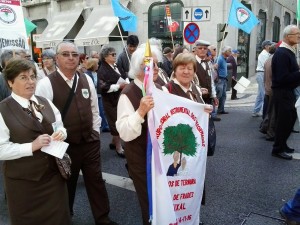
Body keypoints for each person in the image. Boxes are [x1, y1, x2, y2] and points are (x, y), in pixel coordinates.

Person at [35, 41, 118, 225]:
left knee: (96, 181)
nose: (71, 58)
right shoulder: (46, 84)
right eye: (65, 54)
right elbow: (42, 119)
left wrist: (96, 133)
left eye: (74, 54)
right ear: (57, 58)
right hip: (65, 146)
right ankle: (66, 216)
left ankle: (102, 218)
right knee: (67, 184)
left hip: (89, 142)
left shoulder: (86, 79)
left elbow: (95, 109)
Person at [0, 58, 70, 225]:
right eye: (23, 77)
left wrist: (61, 133)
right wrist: (32, 146)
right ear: (10, 82)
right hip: (24, 184)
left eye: (33, 76)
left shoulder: (44, 101)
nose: (31, 82)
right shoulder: (3, 110)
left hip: (54, 179)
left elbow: (59, 125)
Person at [116, 44, 162, 225]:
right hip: (141, 159)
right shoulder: (128, 94)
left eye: (157, 65)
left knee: (163, 201)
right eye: (150, 65)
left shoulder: (160, 87)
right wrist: (140, 112)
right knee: (149, 204)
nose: (156, 69)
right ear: (138, 69)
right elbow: (125, 133)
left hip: (161, 157)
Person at [271, 25, 300, 160]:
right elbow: (282, 78)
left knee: (291, 118)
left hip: (287, 91)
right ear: (288, 37)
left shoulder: (288, 51)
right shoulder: (282, 53)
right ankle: (278, 149)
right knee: (284, 120)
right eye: (297, 34)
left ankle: (283, 144)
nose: (299, 36)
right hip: (282, 91)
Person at [98, 46, 127, 158]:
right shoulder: (102, 70)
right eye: (112, 54)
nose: (115, 56)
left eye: (115, 54)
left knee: (119, 119)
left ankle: (113, 142)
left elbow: (124, 75)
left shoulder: (117, 65)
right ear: (105, 57)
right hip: (110, 100)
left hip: (119, 98)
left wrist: (126, 83)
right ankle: (118, 147)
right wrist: (118, 86)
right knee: (115, 122)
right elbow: (102, 87)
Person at [194, 40, 220, 121]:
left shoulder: (207, 63)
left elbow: (211, 80)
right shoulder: (192, 63)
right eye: (200, 48)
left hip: (208, 98)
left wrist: (214, 96)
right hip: (197, 98)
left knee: (207, 120)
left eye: (205, 48)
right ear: (195, 50)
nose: (202, 50)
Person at [85, 58, 110, 132]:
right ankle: (99, 126)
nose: (98, 65)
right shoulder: (87, 74)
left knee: (101, 111)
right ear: (93, 65)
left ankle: (104, 125)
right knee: (94, 111)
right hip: (92, 96)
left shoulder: (96, 73)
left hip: (98, 94)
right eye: (97, 64)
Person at [252, 40, 273, 117]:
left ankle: (256, 110)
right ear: (266, 46)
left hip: (262, 73)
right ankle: (262, 111)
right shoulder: (264, 54)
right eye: (270, 45)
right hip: (261, 73)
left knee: (261, 93)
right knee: (263, 93)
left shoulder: (266, 54)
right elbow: (267, 65)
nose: (271, 46)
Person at [216, 46, 232, 114]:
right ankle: (214, 112)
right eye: (229, 51)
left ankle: (221, 109)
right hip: (220, 79)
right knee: (218, 95)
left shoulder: (225, 59)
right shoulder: (220, 59)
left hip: (224, 79)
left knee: (223, 95)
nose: (230, 53)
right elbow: (216, 67)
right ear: (225, 52)